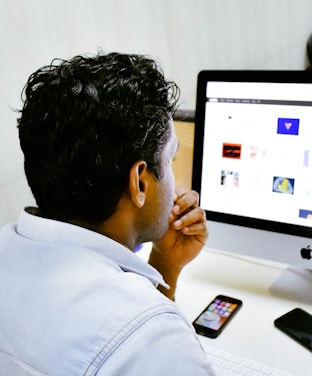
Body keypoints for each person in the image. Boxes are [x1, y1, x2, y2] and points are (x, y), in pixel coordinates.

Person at [0, 52, 215, 375]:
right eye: (170, 159)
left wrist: (166, 266)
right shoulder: (156, 339)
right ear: (139, 182)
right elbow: (137, 337)